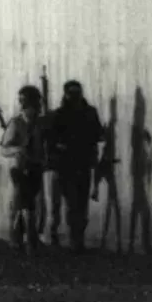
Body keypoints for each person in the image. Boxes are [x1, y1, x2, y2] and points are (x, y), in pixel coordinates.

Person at [44, 80, 105, 252]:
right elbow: (51, 140)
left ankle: (77, 238)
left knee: (81, 203)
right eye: (72, 93)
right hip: (66, 165)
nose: (75, 97)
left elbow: (98, 134)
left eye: (77, 93)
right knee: (72, 203)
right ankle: (75, 240)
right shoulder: (59, 115)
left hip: (82, 163)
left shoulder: (89, 113)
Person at [0, 85, 46, 254]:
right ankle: (24, 242)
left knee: (30, 207)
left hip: (36, 169)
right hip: (19, 171)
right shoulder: (16, 124)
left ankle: (26, 240)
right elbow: (3, 148)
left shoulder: (40, 125)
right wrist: (17, 150)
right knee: (22, 207)